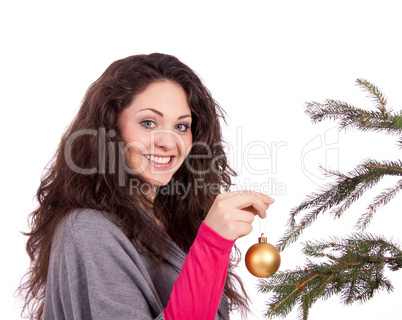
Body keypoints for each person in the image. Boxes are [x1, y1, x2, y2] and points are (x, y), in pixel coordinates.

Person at [20, 53, 274, 320]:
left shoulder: (175, 222)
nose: (168, 142)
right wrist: (211, 244)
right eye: (149, 123)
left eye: (181, 126)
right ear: (111, 129)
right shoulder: (87, 228)